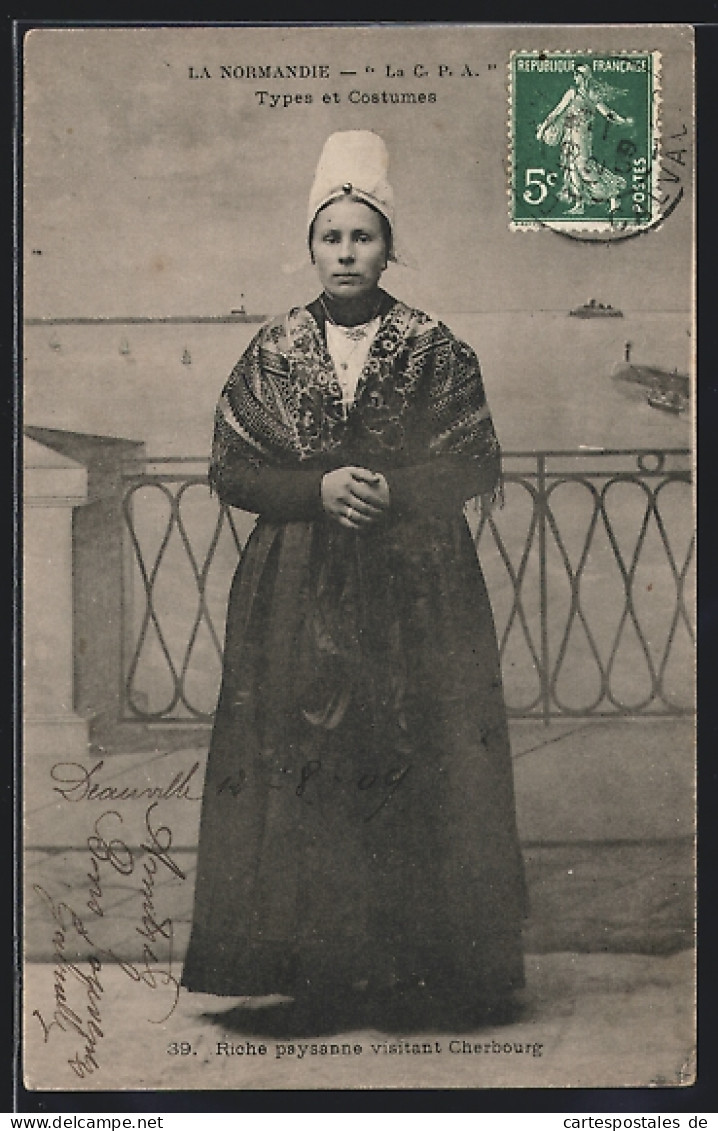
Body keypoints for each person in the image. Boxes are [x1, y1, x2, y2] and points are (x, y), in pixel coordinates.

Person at [181, 131, 527, 1031]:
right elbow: (232, 469)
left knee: (415, 755)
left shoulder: (432, 347)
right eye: (330, 236)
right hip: (296, 590)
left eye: (363, 235)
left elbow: (474, 459)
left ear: (388, 245)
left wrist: (398, 490)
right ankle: (316, 971)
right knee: (309, 767)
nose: (346, 252)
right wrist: (315, 488)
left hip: (416, 590)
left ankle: (419, 967)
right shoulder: (274, 349)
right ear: (310, 244)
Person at [536, 64, 633, 215]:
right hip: (569, 135)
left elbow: (608, 113)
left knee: (584, 167)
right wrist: (543, 129)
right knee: (571, 168)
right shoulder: (571, 93)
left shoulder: (592, 95)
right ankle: (579, 204)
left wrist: (622, 121)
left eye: (577, 74)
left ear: (584, 77)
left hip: (583, 137)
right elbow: (556, 112)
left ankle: (613, 196)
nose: (575, 77)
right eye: (574, 74)